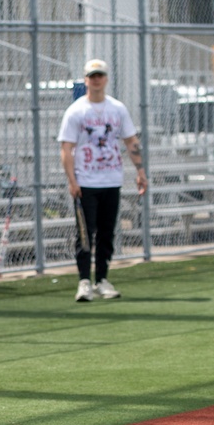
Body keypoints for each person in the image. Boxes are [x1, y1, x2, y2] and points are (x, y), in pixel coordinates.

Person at [57, 59, 147, 302]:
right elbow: (67, 148)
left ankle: (102, 279)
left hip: (111, 179)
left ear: (106, 79)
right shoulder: (76, 111)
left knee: (107, 233)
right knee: (85, 233)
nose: (96, 80)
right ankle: (84, 281)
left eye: (100, 76)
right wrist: (72, 180)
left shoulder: (117, 109)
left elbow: (130, 141)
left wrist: (140, 171)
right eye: (92, 76)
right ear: (86, 79)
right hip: (86, 181)